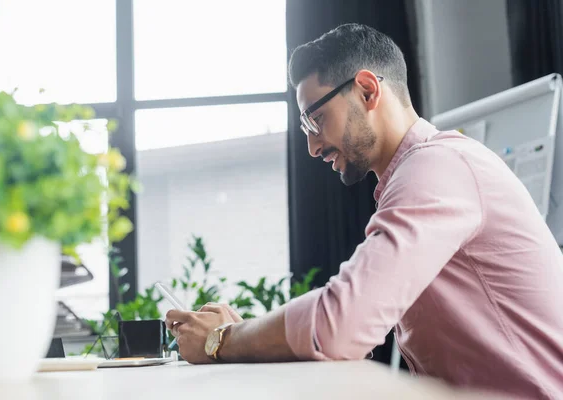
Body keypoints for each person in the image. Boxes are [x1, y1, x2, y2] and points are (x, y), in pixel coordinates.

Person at [165, 23, 563, 398]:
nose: (313, 147)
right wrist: (245, 334)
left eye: (316, 119)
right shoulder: (414, 178)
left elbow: (340, 326)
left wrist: (223, 339)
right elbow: (355, 324)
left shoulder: (437, 167)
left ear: (368, 90)